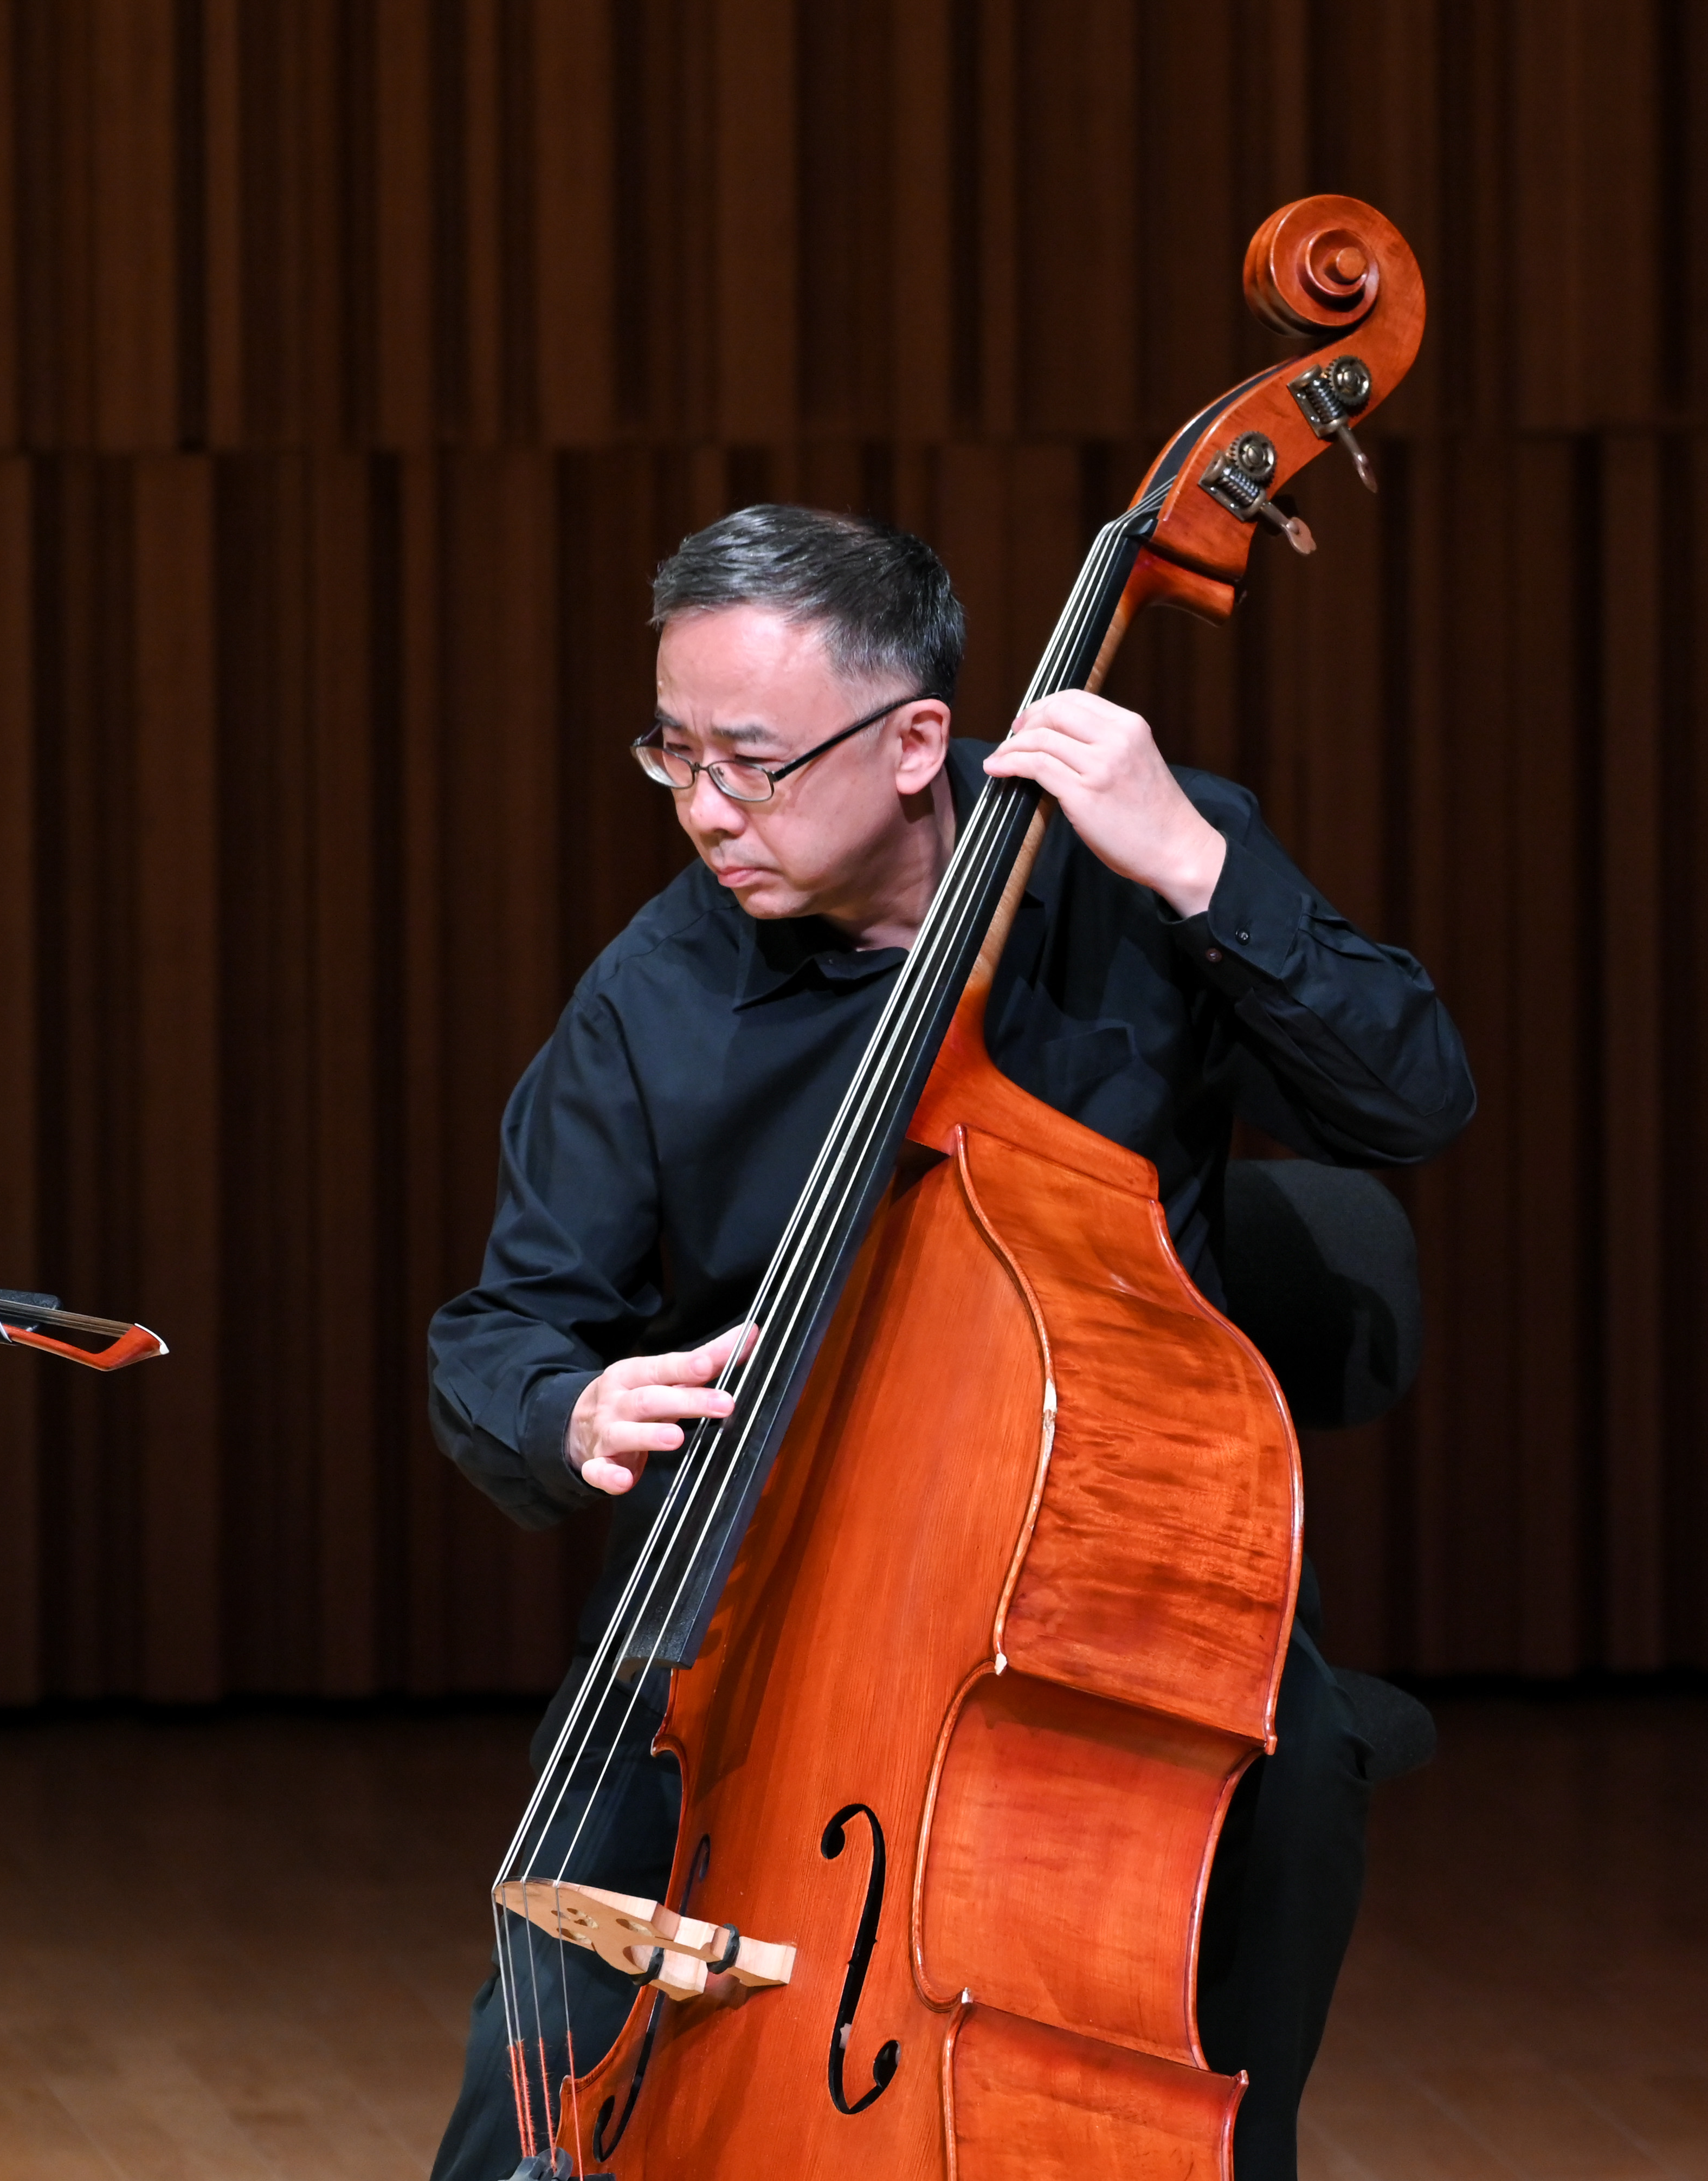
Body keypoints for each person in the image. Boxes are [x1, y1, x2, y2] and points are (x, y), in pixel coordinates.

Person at [423, 505, 1473, 2181]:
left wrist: (1201, 867)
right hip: (765, 1626)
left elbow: (1412, 1102)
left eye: (749, 764)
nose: (702, 811)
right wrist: (571, 1403)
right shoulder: (661, 986)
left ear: (920, 741)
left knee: (1277, 1822)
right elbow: (502, 1328)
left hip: (1126, 1613)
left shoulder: (1134, 871)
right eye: (671, 754)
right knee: (538, 2087)